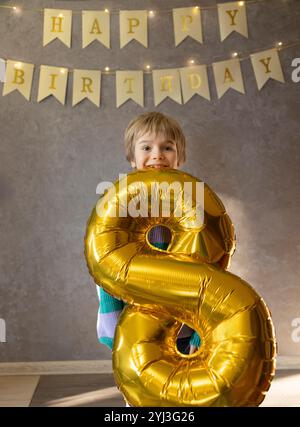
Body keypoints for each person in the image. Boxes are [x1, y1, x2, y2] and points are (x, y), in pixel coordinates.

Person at [96, 112, 201, 372]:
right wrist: (112, 313)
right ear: (132, 158)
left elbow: (208, 266)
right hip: (135, 313)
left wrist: (202, 326)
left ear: (180, 156)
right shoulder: (119, 203)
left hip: (181, 316)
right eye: (147, 147)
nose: (158, 154)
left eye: (167, 147)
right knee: (140, 379)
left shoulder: (192, 202)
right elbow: (106, 257)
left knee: (179, 383)